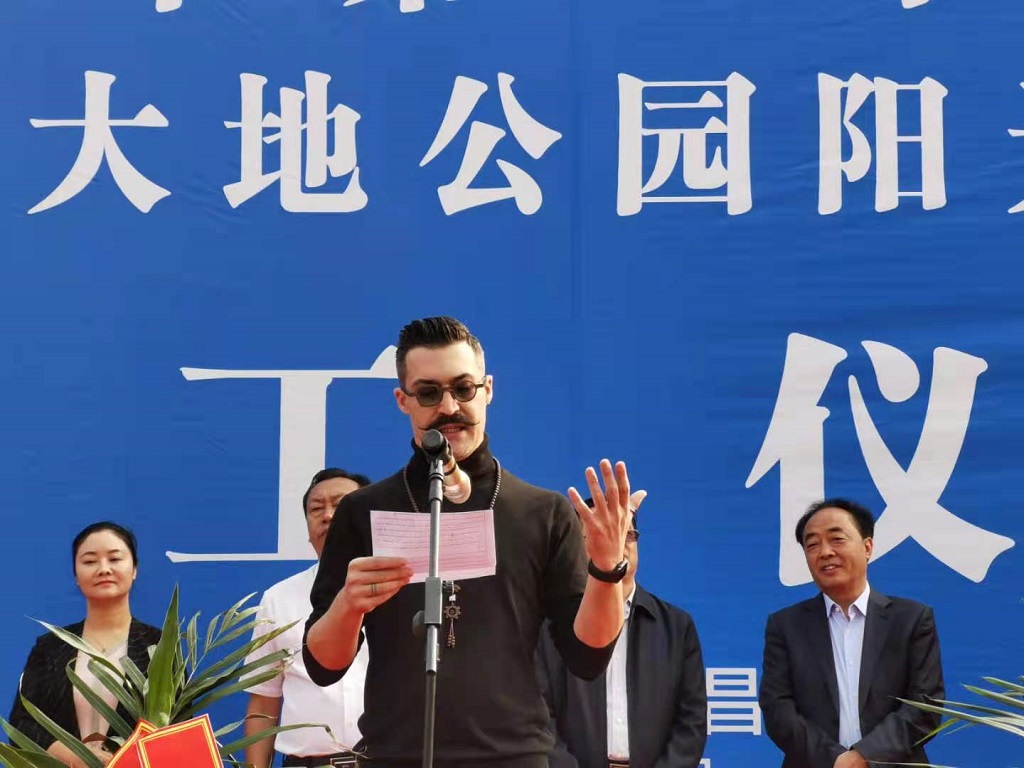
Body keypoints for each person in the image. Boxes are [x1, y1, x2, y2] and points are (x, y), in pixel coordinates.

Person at [303, 316, 634, 768]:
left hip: (513, 756)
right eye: (428, 393)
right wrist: (347, 606)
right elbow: (323, 667)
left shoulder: (542, 511)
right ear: (403, 400)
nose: (449, 407)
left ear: (487, 390)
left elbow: (588, 657)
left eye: (463, 389)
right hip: (394, 755)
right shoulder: (364, 511)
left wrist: (606, 570)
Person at [759, 499, 945, 768]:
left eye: (837, 539)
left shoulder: (911, 619)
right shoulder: (786, 626)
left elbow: (924, 706)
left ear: (867, 547)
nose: (825, 552)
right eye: (812, 545)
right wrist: (833, 759)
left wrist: (863, 757)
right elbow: (778, 709)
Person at [537, 493, 708, 768]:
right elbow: (539, 719)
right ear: (575, 547)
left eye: (627, 535)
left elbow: (692, 722)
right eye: (604, 535)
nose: (618, 546)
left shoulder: (676, 627)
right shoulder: (547, 628)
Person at [244, 468, 373, 768]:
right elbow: (263, 702)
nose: (327, 516)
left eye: (341, 504)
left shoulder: (405, 589)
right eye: (316, 509)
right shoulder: (278, 599)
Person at [9, 522, 161, 767]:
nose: (103, 569)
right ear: (76, 576)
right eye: (90, 561)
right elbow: (22, 725)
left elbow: (178, 726)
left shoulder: (160, 646)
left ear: (134, 569)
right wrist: (76, 757)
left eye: (115, 559)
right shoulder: (50, 646)